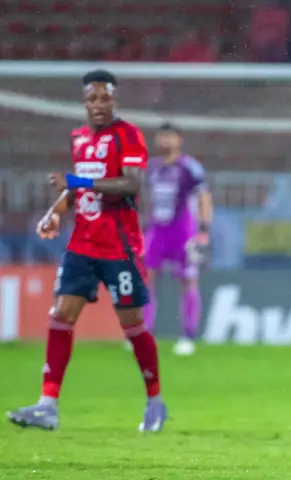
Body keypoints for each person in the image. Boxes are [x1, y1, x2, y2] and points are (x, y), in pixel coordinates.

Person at [6, 69, 167, 432]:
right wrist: (54, 212)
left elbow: (130, 184)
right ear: (84, 102)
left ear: (114, 99)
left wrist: (78, 180)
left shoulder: (128, 135)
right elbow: (75, 189)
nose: (98, 104)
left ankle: (155, 401)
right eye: (92, 98)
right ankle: (47, 405)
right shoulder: (79, 138)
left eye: (104, 98)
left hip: (119, 246)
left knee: (132, 324)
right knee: (61, 314)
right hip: (82, 243)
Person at [143, 123, 212, 356]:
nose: (165, 141)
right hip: (157, 229)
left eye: (169, 136)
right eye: (161, 136)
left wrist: (203, 229)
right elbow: (148, 199)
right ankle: (144, 332)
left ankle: (188, 335)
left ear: (179, 140)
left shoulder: (189, 167)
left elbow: (204, 197)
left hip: (182, 231)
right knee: (146, 277)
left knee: (187, 280)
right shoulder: (153, 167)